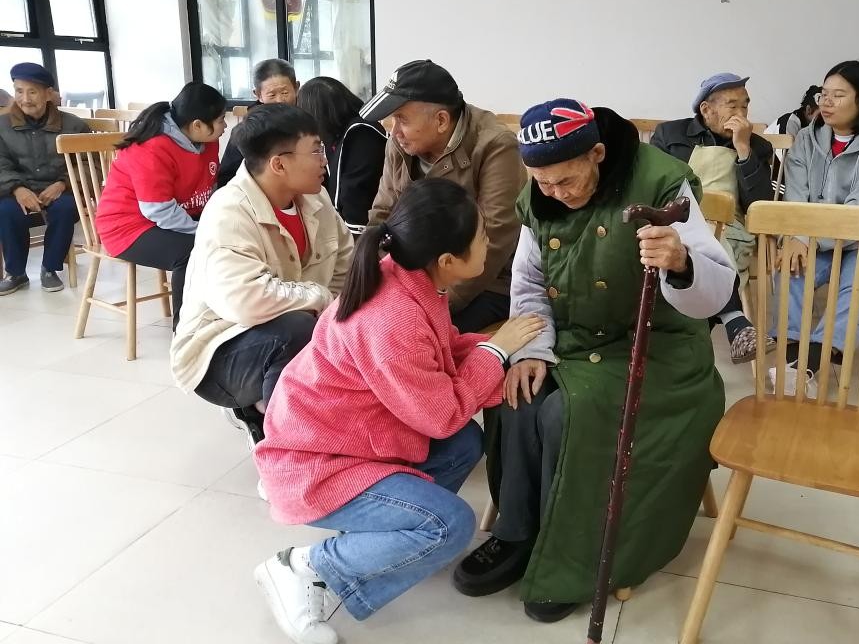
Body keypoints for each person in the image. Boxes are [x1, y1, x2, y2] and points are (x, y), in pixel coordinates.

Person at [454, 99, 735, 622]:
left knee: (566, 413)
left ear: (597, 154)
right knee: (515, 393)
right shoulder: (539, 197)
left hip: (657, 350)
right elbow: (529, 282)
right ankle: (518, 534)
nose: (555, 193)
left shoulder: (661, 184)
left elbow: (717, 292)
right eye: (543, 182)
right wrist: (531, 350)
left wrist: (680, 261)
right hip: (575, 341)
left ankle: (571, 554)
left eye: (565, 180)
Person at [252, 178, 544, 644]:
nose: (491, 241)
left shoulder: (411, 279)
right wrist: (496, 352)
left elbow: (441, 356)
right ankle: (306, 568)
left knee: (463, 444)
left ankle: (393, 538)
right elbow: (442, 414)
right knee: (452, 525)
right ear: (447, 260)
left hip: (347, 439)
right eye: (483, 235)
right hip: (318, 463)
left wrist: (500, 349)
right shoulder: (392, 318)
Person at [170, 103, 354, 453]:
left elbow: (345, 265)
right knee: (297, 328)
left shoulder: (315, 199)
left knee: (346, 325)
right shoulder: (229, 211)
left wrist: (337, 316)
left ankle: (307, 420)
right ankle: (281, 448)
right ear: (279, 164)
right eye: (315, 150)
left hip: (291, 329)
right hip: (220, 353)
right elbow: (246, 302)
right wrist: (319, 300)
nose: (324, 160)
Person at [774, 60, 859, 393]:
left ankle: (812, 358)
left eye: (838, 95)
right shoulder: (806, 139)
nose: (826, 102)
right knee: (791, 268)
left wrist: (807, 238)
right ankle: (792, 352)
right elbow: (796, 195)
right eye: (824, 94)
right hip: (814, 235)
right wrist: (795, 236)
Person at [362, 59, 525, 333]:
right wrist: (372, 284)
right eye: (392, 119)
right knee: (369, 323)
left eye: (402, 118)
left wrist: (432, 304)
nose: (394, 130)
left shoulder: (495, 146)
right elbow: (382, 215)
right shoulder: (400, 144)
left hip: (483, 281)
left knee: (411, 332)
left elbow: (495, 239)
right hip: (418, 273)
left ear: (441, 120)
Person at [650, 73, 776, 363]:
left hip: (732, 228)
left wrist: (743, 149)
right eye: (732, 105)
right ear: (706, 109)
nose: (741, 113)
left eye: (745, 105)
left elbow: (760, 205)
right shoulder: (670, 135)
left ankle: (687, 352)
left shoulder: (758, 146)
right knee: (697, 239)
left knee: (709, 241)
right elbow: (654, 186)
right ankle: (735, 322)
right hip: (678, 223)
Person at [95, 83, 227, 327]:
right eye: (220, 120)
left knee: (232, 238)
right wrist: (202, 231)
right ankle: (185, 330)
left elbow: (209, 186)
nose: (225, 126)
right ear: (197, 125)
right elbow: (158, 209)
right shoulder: (152, 147)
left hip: (177, 216)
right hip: (128, 227)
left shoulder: (208, 140)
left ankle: (222, 317)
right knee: (193, 252)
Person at [0, 62, 87, 295]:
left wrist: (62, 184)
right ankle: (16, 273)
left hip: (59, 188)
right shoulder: (2, 126)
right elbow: (1, 164)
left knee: (66, 208)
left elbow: (90, 165)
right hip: (15, 189)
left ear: (48, 94)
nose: (25, 99)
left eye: (32, 92)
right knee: (6, 210)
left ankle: (50, 268)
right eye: (19, 91)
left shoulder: (74, 125)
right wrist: (17, 188)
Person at [295, 76, 386, 232]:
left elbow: (356, 189)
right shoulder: (336, 136)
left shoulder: (361, 132)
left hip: (365, 226)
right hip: (346, 223)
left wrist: (351, 232)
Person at [217, 58, 301, 188]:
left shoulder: (305, 124)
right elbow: (227, 177)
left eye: (285, 93)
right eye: (272, 95)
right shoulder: (248, 129)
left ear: (296, 87)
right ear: (258, 94)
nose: (280, 100)